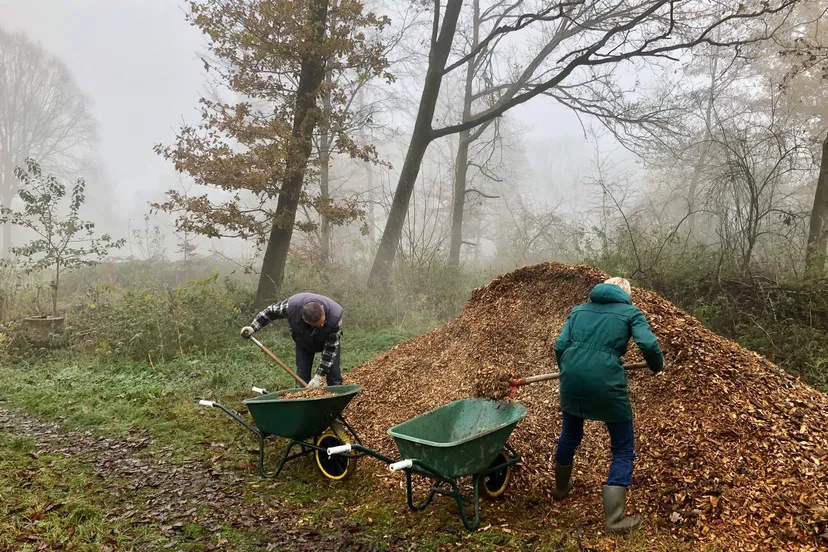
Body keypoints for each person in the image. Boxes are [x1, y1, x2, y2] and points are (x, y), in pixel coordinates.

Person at [552, 277, 664, 534]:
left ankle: (560, 489)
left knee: (570, 433)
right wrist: (657, 366)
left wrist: (568, 368)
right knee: (623, 447)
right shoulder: (631, 313)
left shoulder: (578, 310)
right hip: (607, 383)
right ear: (625, 294)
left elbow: (560, 345)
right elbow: (648, 344)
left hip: (572, 381)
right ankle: (614, 519)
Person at [240, 293, 343, 388]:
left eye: (323, 322)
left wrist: (318, 377)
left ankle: (338, 402)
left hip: (328, 342)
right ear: (305, 321)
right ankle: (303, 404)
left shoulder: (334, 316)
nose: (322, 325)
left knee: (334, 377)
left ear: (323, 311)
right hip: (303, 342)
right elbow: (270, 312)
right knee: (302, 378)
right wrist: (253, 327)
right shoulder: (292, 307)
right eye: (318, 325)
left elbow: (330, 350)